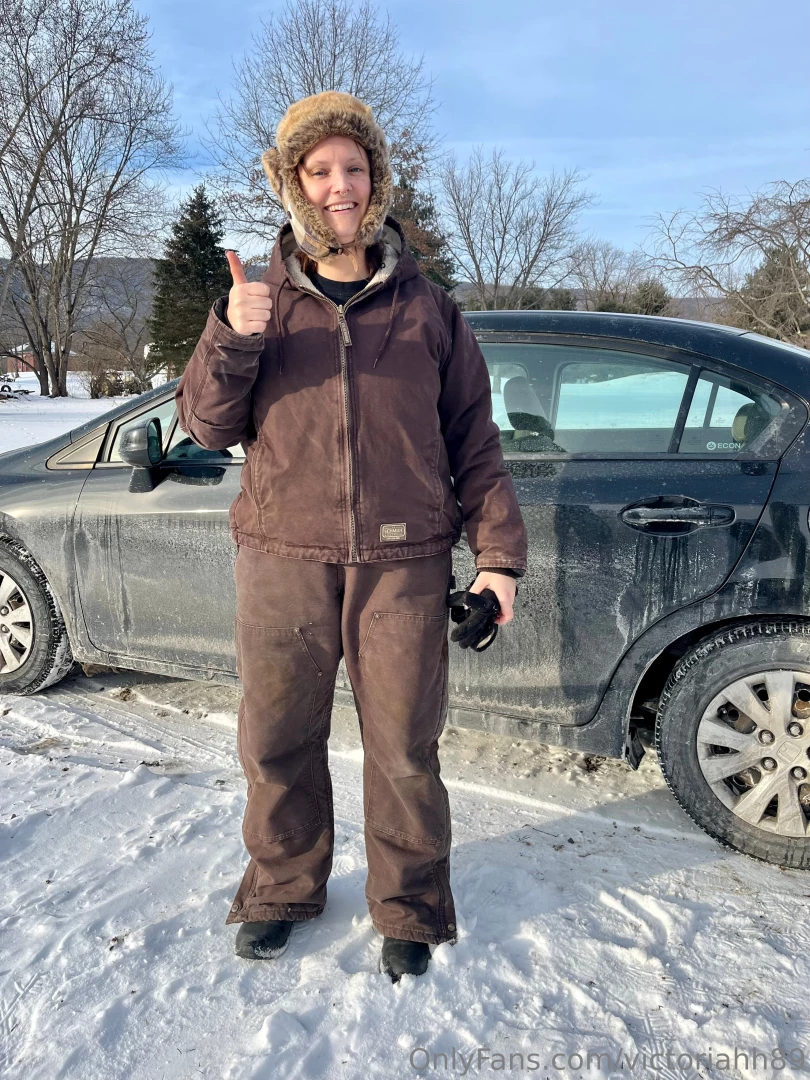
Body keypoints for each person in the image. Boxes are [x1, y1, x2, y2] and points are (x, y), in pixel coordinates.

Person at [175, 91, 528, 982]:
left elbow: (475, 444)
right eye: (321, 169)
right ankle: (282, 887)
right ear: (295, 184)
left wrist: (498, 560)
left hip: (405, 560)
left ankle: (409, 903)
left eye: (355, 168)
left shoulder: (429, 311)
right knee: (276, 739)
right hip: (282, 559)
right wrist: (231, 335)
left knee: (406, 745)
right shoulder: (261, 304)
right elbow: (209, 428)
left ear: (377, 182)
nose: (340, 185)